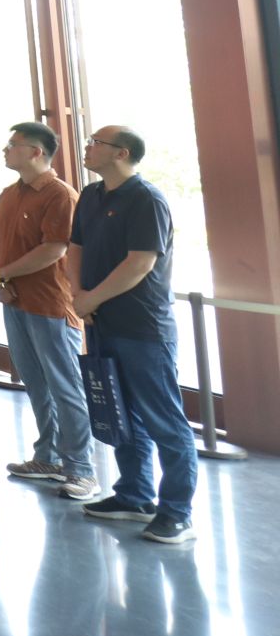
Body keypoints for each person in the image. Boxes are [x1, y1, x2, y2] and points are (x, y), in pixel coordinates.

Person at [70, 126, 198, 544]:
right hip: (100, 321)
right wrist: (78, 294)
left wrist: (92, 298)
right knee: (120, 413)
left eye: (95, 142)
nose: (88, 147)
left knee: (164, 420)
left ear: (121, 153)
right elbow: (76, 248)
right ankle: (134, 495)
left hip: (142, 328)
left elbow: (140, 262)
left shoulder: (147, 199)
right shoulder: (90, 195)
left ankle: (177, 511)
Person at [0, 122, 95, 497]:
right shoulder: (8, 193)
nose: (6, 150)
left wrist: (4, 274)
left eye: (13, 144)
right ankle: (47, 456)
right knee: (35, 382)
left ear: (36, 152)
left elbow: (54, 249)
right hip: (14, 300)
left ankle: (80, 468)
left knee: (65, 385)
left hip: (49, 303)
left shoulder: (60, 194)